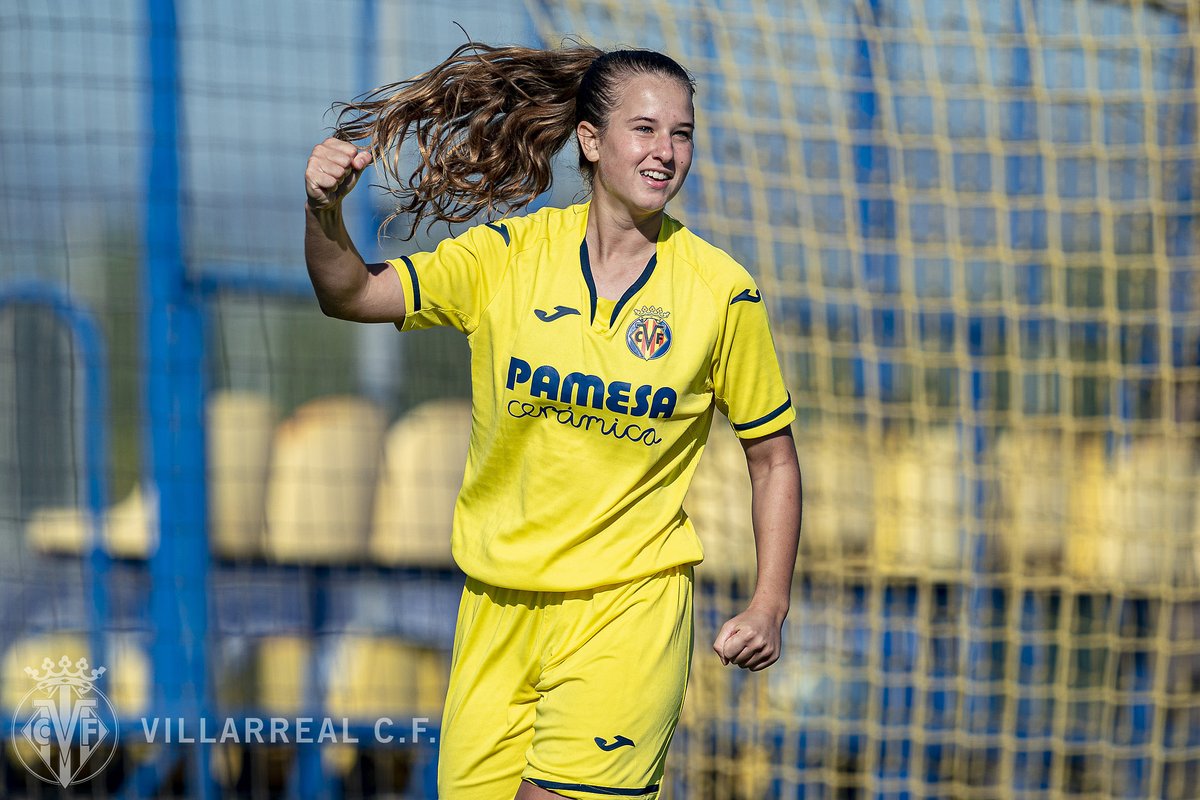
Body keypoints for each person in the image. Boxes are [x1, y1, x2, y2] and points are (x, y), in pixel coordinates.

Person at [304, 41, 801, 800]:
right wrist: (322, 209)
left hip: (628, 610)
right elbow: (351, 295)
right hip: (495, 611)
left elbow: (773, 459)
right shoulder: (505, 258)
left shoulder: (721, 292)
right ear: (591, 141)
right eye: (645, 130)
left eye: (682, 133)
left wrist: (770, 604)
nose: (666, 152)